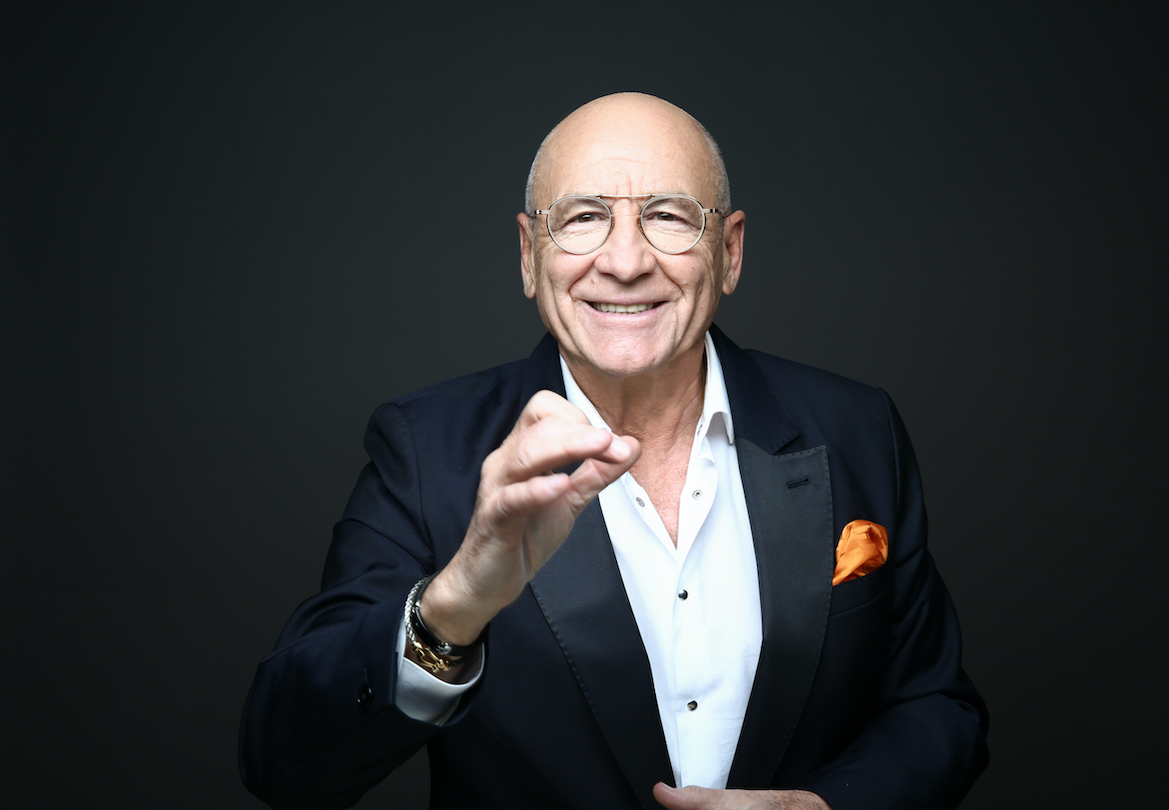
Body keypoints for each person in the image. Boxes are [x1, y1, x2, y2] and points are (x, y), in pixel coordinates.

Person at [240, 92, 988, 810]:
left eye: (667, 216)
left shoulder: (856, 427)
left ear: (729, 251)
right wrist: (455, 602)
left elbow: (935, 706)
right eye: (582, 219)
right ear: (529, 255)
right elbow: (286, 764)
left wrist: (819, 808)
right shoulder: (425, 452)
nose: (625, 261)